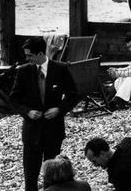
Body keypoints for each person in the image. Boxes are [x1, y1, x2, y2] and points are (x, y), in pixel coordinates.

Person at [10, 37, 81, 191]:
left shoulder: (60, 69)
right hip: (31, 132)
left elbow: (73, 95)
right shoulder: (23, 71)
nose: (26, 58)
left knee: (52, 176)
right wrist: (27, 112)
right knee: (30, 175)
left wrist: (59, 109)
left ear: (40, 53)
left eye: (29, 55)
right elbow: (14, 99)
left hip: (53, 130)